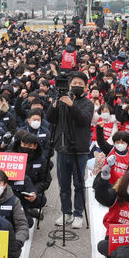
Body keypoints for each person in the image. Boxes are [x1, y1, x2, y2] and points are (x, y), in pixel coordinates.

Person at [45, 72, 94, 228]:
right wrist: (55, 105)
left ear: (86, 87)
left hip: (79, 150)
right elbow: (50, 118)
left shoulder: (88, 104)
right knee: (63, 184)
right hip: (62, 148)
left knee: (79, 184)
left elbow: (83, 120)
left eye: (80, 84)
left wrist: (72, 105)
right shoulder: (61, 101)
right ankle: (66, 212)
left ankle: (79, 213)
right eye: (74, 83)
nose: (77, 86)